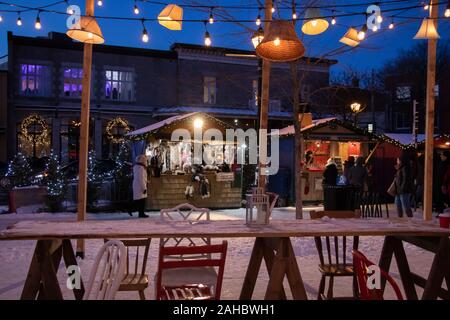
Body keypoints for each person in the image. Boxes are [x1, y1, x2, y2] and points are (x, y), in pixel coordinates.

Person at [394, 153, 414, 218]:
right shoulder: (400, 168)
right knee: (398, 205)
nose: (397, 161)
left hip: (404, 190)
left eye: (398, 160)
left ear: (401, 161)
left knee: (406, 206)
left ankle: (410, 219)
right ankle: (400, 219)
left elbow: (406, 180)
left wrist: (402, 189)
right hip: (399, 190)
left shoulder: (405, 168)